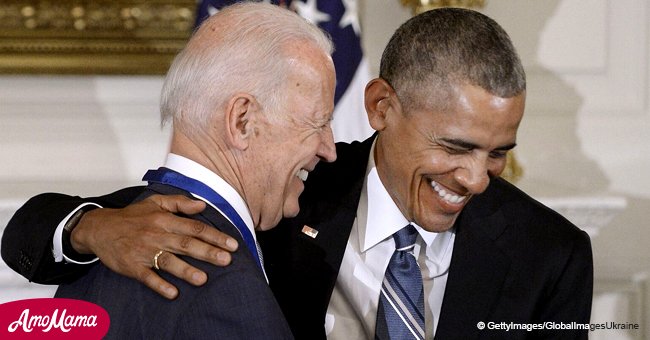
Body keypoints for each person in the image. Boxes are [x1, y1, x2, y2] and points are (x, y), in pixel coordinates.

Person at [2, 7, 593, 339]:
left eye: (497, 153)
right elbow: (31, 229)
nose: (477, 178)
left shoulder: (551, 253)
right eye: (455, 147)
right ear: (381, 106)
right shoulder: (288, 194)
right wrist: (91, 228)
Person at [3, 2, 337, 339]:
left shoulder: (106, 251)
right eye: (317, 122)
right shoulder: (216, 281)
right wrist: (84, 227)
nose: (330, 150)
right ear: (242, 120)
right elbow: (29, 226)